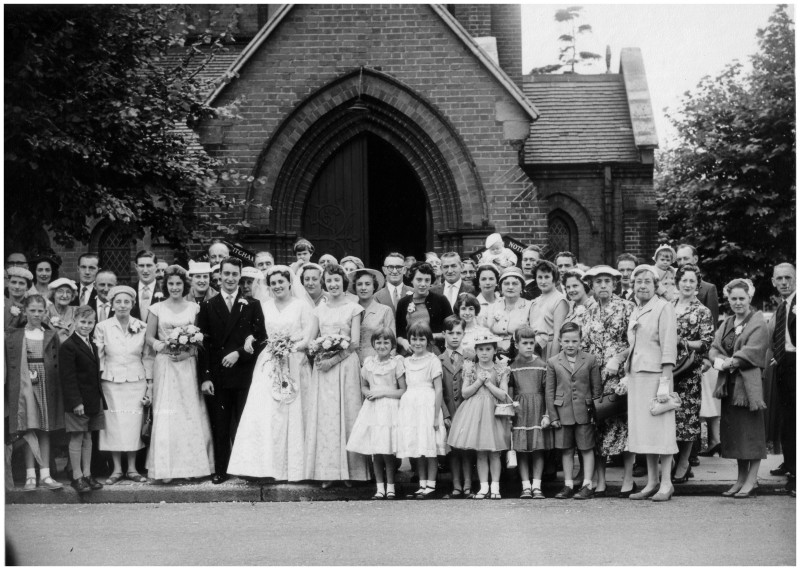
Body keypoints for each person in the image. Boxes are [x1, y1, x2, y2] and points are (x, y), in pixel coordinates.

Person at [227, 265, 314, 481]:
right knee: (266, 413)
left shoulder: (301, 305)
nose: (277, 286)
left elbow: (308, 335)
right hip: (269, 361)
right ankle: (263, 468)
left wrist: (292, 348)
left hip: (294, 360)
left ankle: (295, 469)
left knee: (293, 412)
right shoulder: (264, 306)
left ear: (289, 283)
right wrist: (250, 339)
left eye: (280, 282)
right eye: (273, 283)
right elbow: (257, 333)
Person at [611, 265, 678, 502]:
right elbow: (635, 346)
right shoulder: (637, 310)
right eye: (638, 281)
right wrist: (625, 371)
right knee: (647, 433)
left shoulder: (663, 307)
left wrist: (664, 383)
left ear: (656, 285)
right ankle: (652, 482)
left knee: (662, 431)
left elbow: (669, 347)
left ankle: (667, 483)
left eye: (647, 281)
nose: (641, 285)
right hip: (638, 377)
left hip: (656, 376)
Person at [196, 257, 266, 484]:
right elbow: (203, 344)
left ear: (240, 277)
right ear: (219, 276)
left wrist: (239, 353)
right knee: (221, 424)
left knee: (245, 423)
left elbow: (261, 338)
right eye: (226, 274)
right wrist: (205, 377)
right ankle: (221, 469)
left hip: (244, 373)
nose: (230, 279)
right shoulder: (207, 306)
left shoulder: (252, 304)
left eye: (235, 275)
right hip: (217, 375)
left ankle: (247, 469)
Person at [144, 266, 214, 483]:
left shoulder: (195, 308)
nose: (175, 287)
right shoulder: (156, 308)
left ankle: (192, 467)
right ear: (166, 286)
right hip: (166, 364)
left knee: (189, 411)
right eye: (171, 284)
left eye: (179, 284)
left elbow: (202, 340)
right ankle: (166, 469)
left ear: (185, 286)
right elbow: (148, 336)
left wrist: (188, 352)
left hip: (187, 364)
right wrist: (163, 346)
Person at [304, 264, 370, 486]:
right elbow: (311, 339)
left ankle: (351, 472)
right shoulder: (319, 309)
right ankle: (328, 472)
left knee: (348, 414)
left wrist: (333, 359)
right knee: (327, 418)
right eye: (329, 281)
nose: (333, 284)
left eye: (336, 280)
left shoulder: (354, 308)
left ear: (343, 282)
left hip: (345, 365)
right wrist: (313, 351)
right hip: (323, 369)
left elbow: (354, 343)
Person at [709, 279, 769, 498]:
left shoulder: (757, 321)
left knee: (751, 435)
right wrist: (719, 361)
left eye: (741, 298)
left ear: (749, 298)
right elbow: (714, 348)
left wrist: (730, 362)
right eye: (733, 298)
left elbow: (755, 349)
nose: (737, 302)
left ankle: (751, 481)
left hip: (748, 387)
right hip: (729, 386)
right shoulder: (727, 323)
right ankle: (740, 479)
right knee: (737, 436)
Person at [581, 265, 636, 497]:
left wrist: (620, 360)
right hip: (594, 378)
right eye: (598, 282)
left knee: (622, 425)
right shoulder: (588, 312)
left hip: (619, 375)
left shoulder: (627, 308)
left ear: (615, 284)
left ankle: (628, 479)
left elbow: (637, 342)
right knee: (597, 426)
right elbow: (584, 345)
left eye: (607, 281)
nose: (602, 285)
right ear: (591, 286)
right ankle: (600, 481)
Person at [93, 285, 153, 485]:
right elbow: (99, 357)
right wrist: (98, 383)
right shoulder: (102, 327)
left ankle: (133, 469)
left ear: (133, 304)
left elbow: (147, 357)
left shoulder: (142, 326)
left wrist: (150, 385)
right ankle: (117, 469)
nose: (122, 305)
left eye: (127, 301)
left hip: (136, 381)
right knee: (114, 425)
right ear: (112, 304)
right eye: (118, 301)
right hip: (111, 382)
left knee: (133, 425)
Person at [5, 295, 65, 491]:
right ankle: (31, 474)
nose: (36, 314)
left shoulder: (50, 334)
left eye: (40, 311)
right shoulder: (14, 335)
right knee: (28, 427)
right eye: (32, 310)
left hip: (46, 382)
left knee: (44, 428)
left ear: (45, 313)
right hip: (24, 384)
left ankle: (45, 474)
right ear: (25, 311)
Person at [447, 332, 510, 500]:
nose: (484, 353)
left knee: (495, 452)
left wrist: (488, 383)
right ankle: (483, 487)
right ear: (476, 351)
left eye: (488, 349)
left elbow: (503, 394)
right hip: (475, 412)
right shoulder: (471, 368)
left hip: (494, 412)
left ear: (494, 350)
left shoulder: (500, 368)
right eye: (480, 349)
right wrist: (478, 382)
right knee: (481, 452)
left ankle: (495, 487)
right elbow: (465, 393)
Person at [346, 328, 407, 500]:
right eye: (378, 342)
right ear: (373, 344)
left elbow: (402, 390)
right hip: (373, 410)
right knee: (376, 451)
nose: (382, 346)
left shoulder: (396, 362)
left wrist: (382, 393)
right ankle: (379, 488)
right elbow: (364, 385)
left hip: (390, 409)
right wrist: (367, 392)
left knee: (387, 451)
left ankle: (391, 487)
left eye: (386, 342)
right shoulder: (369, 363)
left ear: (393, 345)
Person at [545, 322, 602, 499]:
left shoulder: (590, 359)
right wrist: (553, 416)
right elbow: (550, 391)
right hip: (563, 413)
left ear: (580, 341)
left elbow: (597, 388)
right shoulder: (553, 362)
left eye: (574, 341)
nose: (570, 345)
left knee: (587, 448)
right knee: (566, 449)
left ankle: (587, 484)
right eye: (566, 341)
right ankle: (568, 484)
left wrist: (595, 413)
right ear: (560, 341)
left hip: (584, 412)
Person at [670, 264, 714, 483]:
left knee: (687, 418)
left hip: (688, 371)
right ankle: (673, 460)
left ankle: (685, 461)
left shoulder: (702, 311)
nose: (687, 285)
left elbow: (706, 343)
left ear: (697, 285)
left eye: (692, 281)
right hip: (668, 369)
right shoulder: (667, 305)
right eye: (684, 280)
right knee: (669, 415)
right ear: (678, 282)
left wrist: (682, 342)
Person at [396, 321, 447, 498]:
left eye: (422, 339)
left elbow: (439, 389)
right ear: (409, 340)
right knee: (419, 446)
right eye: (414, 339)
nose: (418, 343)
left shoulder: (433, 360)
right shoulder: (405, 361)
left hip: (428, 405)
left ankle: (431, 485)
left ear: (428, 341)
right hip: (411, 406)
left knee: (430, 446)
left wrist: (435, 417)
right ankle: (422, 483)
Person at [59, 305, 105, 493]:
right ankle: (77, 476)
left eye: (90, 322)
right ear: (75, 322)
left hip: (92, 399)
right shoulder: (68, 346)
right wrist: (76, 402)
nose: (86, 326)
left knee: (89, 437)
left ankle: (87, 474)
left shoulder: (91, 344)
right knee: (77, 437)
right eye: (82, 322)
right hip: (78, 401)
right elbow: (68, 378)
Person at [509, 326, 552, 499]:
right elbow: (510, 393)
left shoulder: (542, 365)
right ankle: (525, 485)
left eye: (531, 343)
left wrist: (547, 414)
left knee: (537, 449)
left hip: (537, 408)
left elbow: (548, 392)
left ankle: (537, 485)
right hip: (520, 411)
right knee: (522, 449)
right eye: (524, 343)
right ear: (517, 344)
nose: (528, 346)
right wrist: (511, 412)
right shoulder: (512, 366)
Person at [770, 263, 796, 496]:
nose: (784, 282)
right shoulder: (783, 306)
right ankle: (790, 464)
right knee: (787, 419)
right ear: (774, 281)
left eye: (788, 277)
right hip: (784, 364)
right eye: (780, 278)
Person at [439, 316, 472, 498]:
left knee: (466, 449)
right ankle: (456, 485)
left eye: (458, 333)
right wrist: (445, 414)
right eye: (450, 333)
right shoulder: (438, 359)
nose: (454, 337)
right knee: (453, 450)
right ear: (444, 334)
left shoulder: (470, 356)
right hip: (450, 410)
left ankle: (468, 485)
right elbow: (438, 390)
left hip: (466, 410)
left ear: (464, 334)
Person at [395, 262, 453, 356]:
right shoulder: (403, 303)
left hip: (435, 353)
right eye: (419, 279)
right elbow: (398, 333)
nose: (423, 284)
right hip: (409, 353)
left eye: (427, 280)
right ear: (411, 280)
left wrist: (432, 336)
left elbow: (451, 330)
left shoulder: (441, 300)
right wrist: (404, 342)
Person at [483, 266, 533, 359]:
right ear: (500, 287)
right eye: (506, 283)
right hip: (494, 354)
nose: (510, 287)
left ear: (522, 286)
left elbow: (538, 336)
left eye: (515, 283)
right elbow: (485, 332)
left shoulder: (530, 306)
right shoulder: (491, 307)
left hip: (521, 355)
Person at [350, 268, 394, 362]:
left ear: (374, 286)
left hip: (376, 363)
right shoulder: (350, 310)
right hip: (352, 363)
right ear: (355, 287)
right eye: (359, 284)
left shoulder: (385, 310)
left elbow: (392, 344)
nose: (363, 288)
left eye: (368, 284)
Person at [530, 260, 569, 359]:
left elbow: (557, 335)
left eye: (547, 277)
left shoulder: (559, 300)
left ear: (554, 278)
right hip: (534, 348)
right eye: (540, 277)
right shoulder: (535, 301)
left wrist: (553, 362)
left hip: (550, 348)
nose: (543, 281)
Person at [130, 250, 161, 323]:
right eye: (141, 266)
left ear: (156, 267)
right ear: (136, 267)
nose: (145, 270)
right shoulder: (130, 290)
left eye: (149, 265)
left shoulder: (165, 291)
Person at [46, 278, 78, 342]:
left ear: (72, 295)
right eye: (60, 291)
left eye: (68, 292)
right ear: (53, 294)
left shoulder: (77, 311)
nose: (65, 295)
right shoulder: (46, 312)